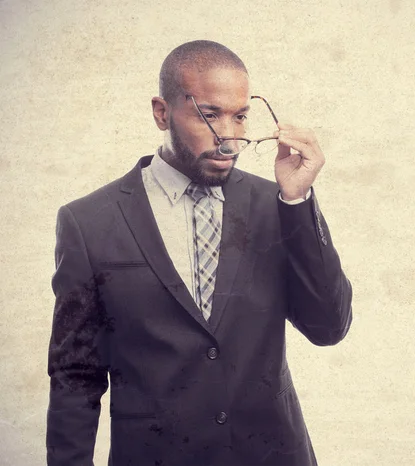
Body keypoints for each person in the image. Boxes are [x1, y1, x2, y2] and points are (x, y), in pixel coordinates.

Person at [46, 40, 353, 466]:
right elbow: (75, 377)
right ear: (161, 112)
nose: (229, 137)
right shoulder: (90, 222)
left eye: (241, 116)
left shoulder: (277, 205)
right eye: (209, 115)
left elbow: (329, 327)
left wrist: (298, 203)